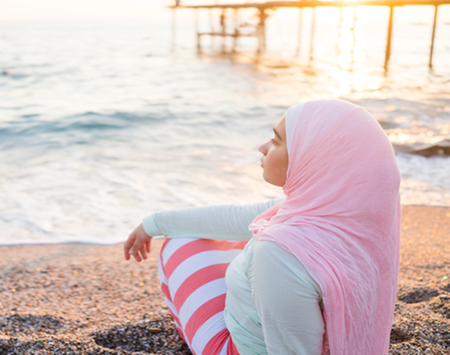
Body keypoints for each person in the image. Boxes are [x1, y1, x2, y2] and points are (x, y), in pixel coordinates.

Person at [124, 99, 401, 354]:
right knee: (234, 233)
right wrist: (154, 223)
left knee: (178, 244)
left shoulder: (278, 255)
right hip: (329, 333)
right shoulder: (355, 217)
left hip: (240, 348)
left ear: (311, 160)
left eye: (277, 141)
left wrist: (158, 227)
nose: (263, 147)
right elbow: (235, 217)